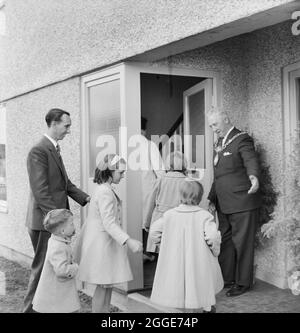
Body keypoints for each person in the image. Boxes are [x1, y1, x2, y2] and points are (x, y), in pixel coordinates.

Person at [24, 108, 90, 313]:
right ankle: (27, 310)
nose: (69, 130)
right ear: (53, 124)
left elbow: (66, 185)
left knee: (48, 273)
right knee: (41, 271)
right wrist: (59, 222)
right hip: (46, 223)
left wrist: (88, 199)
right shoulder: (39, 150)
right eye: (66, 125)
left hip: (52, 223)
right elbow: (41, 191)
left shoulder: (54, 149)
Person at [74, 154, 143, 313]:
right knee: (103, 286)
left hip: (105, 243)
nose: (123, 175)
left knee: (107, 284)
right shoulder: (105, 192)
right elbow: (109, 222)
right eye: (120, 172)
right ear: (110, 172)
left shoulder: (103, 189)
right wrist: (129, 241)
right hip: (102, 244)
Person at [207, 107, 261, 297]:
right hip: (224, 203)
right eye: (211, 126)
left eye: (215, 124)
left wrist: (253, 177)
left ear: (226, 119)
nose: (213, 129)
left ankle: (243, 283)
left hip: (242, 201)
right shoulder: (220, 142)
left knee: (242, 243)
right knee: (227, 242)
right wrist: (211, 198)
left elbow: (250, 160)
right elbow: (220, 176)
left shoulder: (242, 138)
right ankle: (227, 278)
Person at [149, 179, 223, 313]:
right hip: (199, 263)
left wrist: (165, 245)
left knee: (179, 293)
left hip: (176, 261)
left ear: (180, 195)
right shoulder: (204, 216)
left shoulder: (170, 215)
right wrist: (215, 250)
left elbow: (154, 231)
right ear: (200, 197)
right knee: (201, 293)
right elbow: (213, 237)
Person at [32, 209, 80, 313]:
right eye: (71, 224)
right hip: (55, 293)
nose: (74, 226)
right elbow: (61, 270)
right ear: (62, 231)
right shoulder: (58, 246)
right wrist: (76, 267)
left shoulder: (57, 240)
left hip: (59, 291)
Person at [143, 151, 187, 254]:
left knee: (162, 254)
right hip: (179, 221)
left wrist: (147, 222)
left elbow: (151, 203)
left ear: (168, 164)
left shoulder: (160, 180)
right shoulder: (187, 181)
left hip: (159, 220)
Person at [140, 116, 165, 261]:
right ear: (144, 129)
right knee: (147, 221)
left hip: (128, 191)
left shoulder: (125, 145)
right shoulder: (149, 145)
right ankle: (147, 253)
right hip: (148, 189)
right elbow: (160, 171)